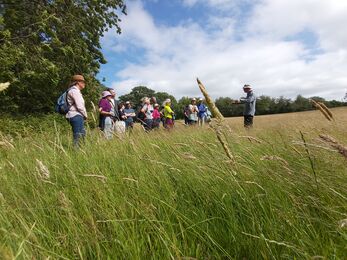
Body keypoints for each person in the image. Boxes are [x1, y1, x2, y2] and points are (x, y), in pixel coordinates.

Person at [66, 75, 88, 147]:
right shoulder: (74, 91)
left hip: (76, 115)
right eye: (83, 82)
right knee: (78, 136)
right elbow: (80, 106)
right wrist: (85, 115)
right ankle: (76, 152)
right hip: (76, 115)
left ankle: (81, 151)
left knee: (82, 134)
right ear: (78, 82)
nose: (84, 83)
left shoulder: (74, 91)